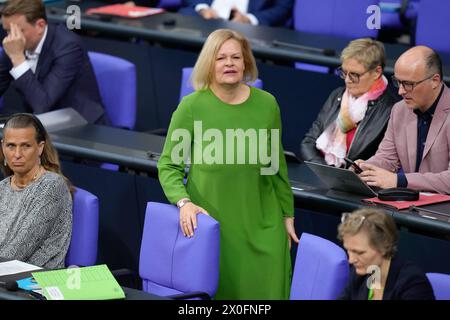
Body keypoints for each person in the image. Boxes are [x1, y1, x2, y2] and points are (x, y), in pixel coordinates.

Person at [157, 29, 298, 299]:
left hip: (264, 229)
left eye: (236, 57)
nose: (230, 63)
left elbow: (275, 166)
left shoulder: (267, 105)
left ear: (246, 63)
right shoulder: (191, 107)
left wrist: (287, 215)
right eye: (221, 58)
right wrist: (183, 203)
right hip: (213, 230)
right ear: (209, 64)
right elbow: (169, 166)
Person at [357, 46, 450, 194]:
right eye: (398, 82)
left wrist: (400, 180)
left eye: (408, 84)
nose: (400, 91)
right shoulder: (399, 110)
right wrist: (366, 168)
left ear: (434, 81)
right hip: (410, 205)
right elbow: (387, 158)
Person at [0, 0, 109, 124]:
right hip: (43, 124)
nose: (11, 38)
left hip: (81, 126)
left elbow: (43, 105)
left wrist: (18, 60)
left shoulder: (68, 46)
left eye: (18, 31)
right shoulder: (15, 44)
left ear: (40, 25)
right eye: (8, 31)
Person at [300, 38, 399, 167]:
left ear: (376, 72)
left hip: (357, 182)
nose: (347, 80)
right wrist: (323, 170)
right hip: (324, 173)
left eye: (354, 75)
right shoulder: (337, 95)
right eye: (344, 73)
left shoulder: (392, 110)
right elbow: (309, 142)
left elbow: (386, 162)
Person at [0, 113, 73, 269]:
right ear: (3, 147)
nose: (17, 154)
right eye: (11, 146)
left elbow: (16, 252)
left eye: (25, 146)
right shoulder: (2, 188)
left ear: (40, 148)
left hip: (35, 284)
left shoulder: (51, 187)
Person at [338, 208, 435, 300]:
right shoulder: (360, 273)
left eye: (360, 252)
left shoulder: (412, 284)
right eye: (349, 250)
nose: (351, 260)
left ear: (384, 246)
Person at [179, 0, 294, 27]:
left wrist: (249, 19)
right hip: (204, 17)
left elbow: (283, 7)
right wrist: (203, 8)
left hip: (246, 26)